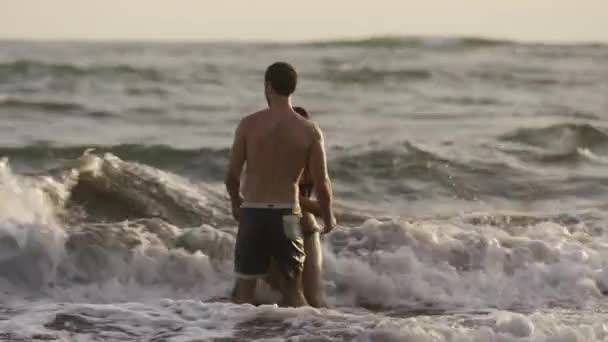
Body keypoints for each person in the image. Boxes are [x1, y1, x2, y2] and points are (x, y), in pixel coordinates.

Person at [225, 62, 335, 307]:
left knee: (244, 296)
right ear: (292, 88)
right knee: (294, 293)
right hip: (288, 215)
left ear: (268, 86)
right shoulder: (310, 130)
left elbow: (232, 176)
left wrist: (236, 202)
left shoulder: (248, 125)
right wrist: (328, 216)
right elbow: (322, 182)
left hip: (253, 212)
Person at [264, 106, 327, 308]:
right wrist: (321, 211)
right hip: (295, 228)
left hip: (297, 228)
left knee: (297, 296)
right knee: (298, 296)